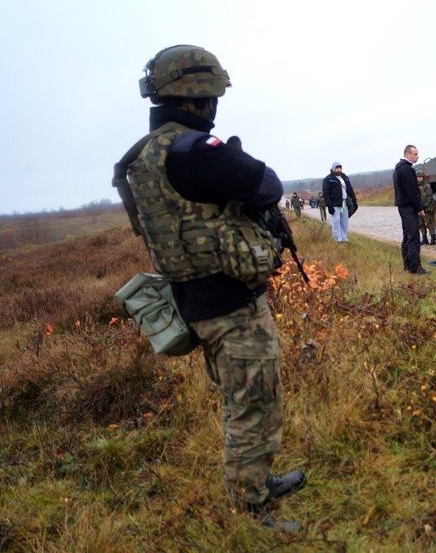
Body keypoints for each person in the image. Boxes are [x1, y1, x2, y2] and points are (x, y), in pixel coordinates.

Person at [122, 45, 305, 519]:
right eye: (212, 98)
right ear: (198, 98)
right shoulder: (194, 151)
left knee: (243, 397)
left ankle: (258, 479)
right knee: (252, 406)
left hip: (192, 301)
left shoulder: (140, 158)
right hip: (230, 304)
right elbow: (266, 185)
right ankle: (250, 507)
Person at [393, 145, 429, 274]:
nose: (417, 156)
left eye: (417, 154)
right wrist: (419, 208)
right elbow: (412, 192)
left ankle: (407, 265)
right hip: (408, 207)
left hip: (403, 207)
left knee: (407, 236)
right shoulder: (407, 169)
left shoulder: (398, 169)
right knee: (413, 237)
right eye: (415, 154)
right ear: (407, 154)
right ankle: (415, 267)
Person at [322, 161, 357, 242]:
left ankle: (344, 238)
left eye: (340, 167)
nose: (338, 169)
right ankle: (337, 239)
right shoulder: (328, 179)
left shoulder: (345, 178)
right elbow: (326, 193)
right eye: (337, 167)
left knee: (344, 221)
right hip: (335, 204)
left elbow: (350, 190)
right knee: (336, 221)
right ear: (333, 168)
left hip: (344, 204)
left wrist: (354, 201)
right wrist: (329, 205)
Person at [416, 168, 436, 245]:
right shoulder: (415, 186)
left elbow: (429, 196)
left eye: (421, 177)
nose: (419, 178)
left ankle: (433, 239)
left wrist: (425, 205)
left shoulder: (426, 186)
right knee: (420, 224)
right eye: (418, 177)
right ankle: (424, 239)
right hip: (419, 208)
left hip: (426, 208)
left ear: (423, 177)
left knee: (429, 223)